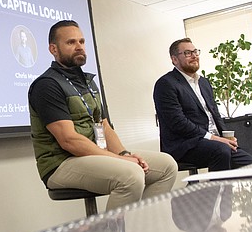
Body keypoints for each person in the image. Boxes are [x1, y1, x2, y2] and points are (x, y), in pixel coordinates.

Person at [28, 20, 177, 211]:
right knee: (130, 175)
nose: (79, 47)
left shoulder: (89, 83)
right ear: (53, 49)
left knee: (167, 166)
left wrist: (125, 154)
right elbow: (69, 140)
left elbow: (104, 127)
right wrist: (119, 160)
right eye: (71, 42)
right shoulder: (47, 85)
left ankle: (141, 228)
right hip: (60, 163)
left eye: (81, 41)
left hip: (94, 156)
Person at [153, 37, 252, 171]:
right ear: (174, 59)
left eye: (195, 52)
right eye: (187, 53)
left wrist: (226, 136)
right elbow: (178, 123)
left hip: (216, 142)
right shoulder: (166, 84)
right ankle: (217, 192)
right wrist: (213, 138)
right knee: (221, 150)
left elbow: (215, 114)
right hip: (185, 145)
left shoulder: (204, 83)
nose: (194, 56)